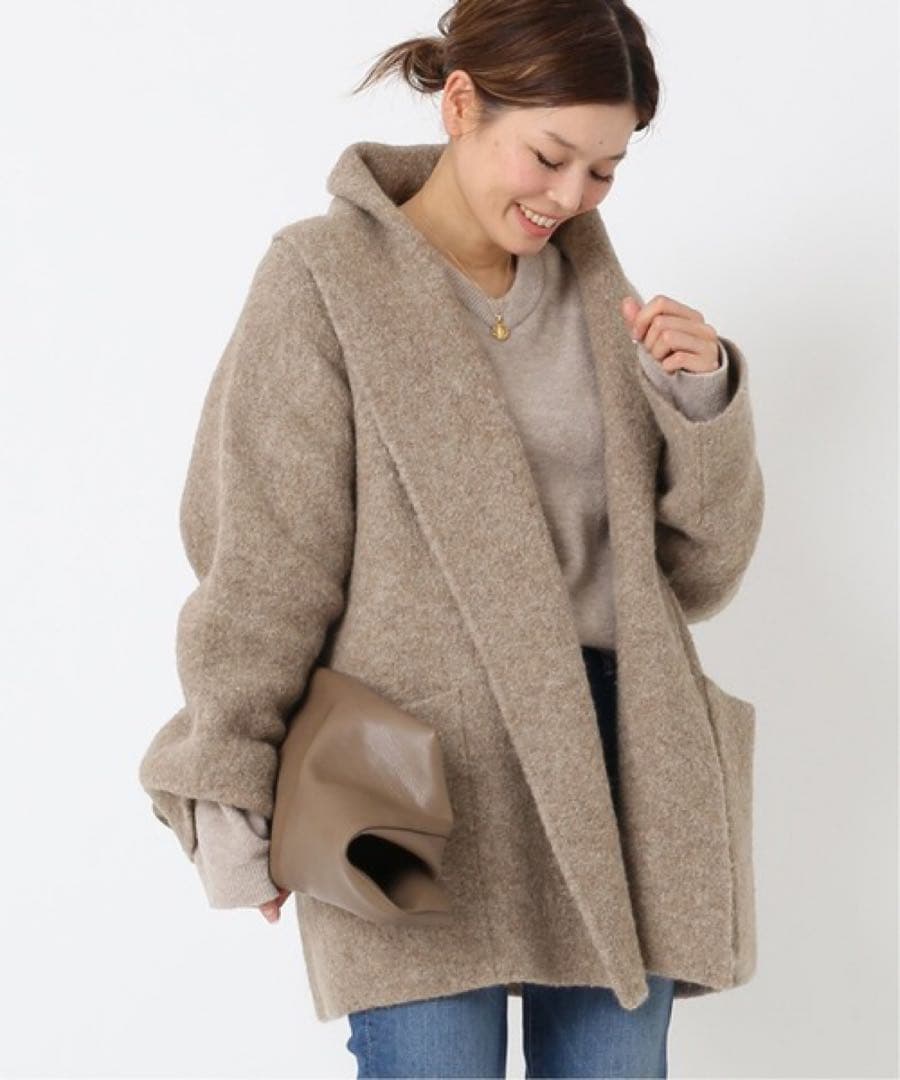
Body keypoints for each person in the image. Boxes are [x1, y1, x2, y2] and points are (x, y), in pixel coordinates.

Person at [138, 1, 765, 1076]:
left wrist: (700, 404)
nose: (569, 197)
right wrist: (233, 779)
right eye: (550, 157)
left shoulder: (605, 305)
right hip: (405, 777)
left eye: (605, 171)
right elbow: (265, 563)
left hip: (622, 762)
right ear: (462, 103)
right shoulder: (325, 281)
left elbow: (696, 579)